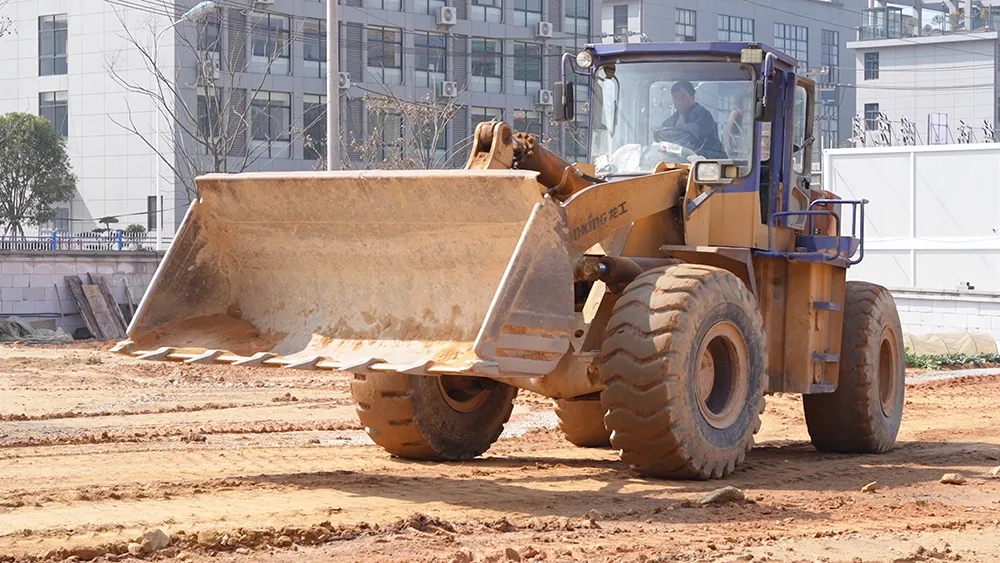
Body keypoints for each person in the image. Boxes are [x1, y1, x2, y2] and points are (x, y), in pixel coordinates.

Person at [654, 80, 727, 159]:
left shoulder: (703, 116)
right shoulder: (670, 122)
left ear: (693, 96)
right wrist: (661, 132)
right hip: (681, 162)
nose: (679, 101)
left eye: (683, 96)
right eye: (676, 97)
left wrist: (670, 132)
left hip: (710, 162)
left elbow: (691, 136)